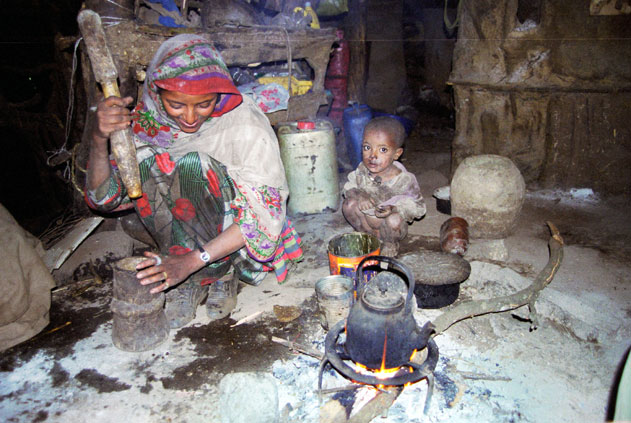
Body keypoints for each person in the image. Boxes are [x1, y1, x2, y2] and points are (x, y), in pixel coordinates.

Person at [85, 34, 303, 329]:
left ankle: (219, 273)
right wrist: (99, 139)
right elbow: (104, 198)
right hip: (183, 236)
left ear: (220, 95)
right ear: (157, 93)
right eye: (176, 104)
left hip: (237, 243)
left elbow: (262, 220)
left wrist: (190, 262)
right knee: (150, 161)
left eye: (204, 104)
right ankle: (188, 273)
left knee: (192, 165)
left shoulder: (245, 125)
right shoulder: (148, 122)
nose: (189, 117)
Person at [341, 116, 426, 256]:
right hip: (366, 222)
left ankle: (390, 243)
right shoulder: (362, 170)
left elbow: (419, 207)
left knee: (394, 220)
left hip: (390, 228)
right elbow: (348, 187)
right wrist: (360, 195)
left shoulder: (404, 180)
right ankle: (366, 235)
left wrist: (394, 208)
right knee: (349, 204)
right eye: (367, 148)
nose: (372, 156)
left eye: (383, 150)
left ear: (397, 154)